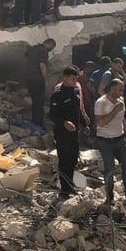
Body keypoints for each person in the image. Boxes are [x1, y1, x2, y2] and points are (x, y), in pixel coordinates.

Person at [95, 79, 126, 205]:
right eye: (120, 89)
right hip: (105, 141)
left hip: (120, 140)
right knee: (109, 169)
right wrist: (114, 110)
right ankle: (109, 198)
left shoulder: (121, 101)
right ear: (112, 89)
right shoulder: (101, 103)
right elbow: (101, 123)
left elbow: (122, 118)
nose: (122, 92)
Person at [49, 67, 87, 198]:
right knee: (64, 161)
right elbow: (52, 116)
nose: (75, 81)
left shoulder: (75, 91)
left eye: (76, 79)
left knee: (72, 159)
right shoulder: (57, 95)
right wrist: (64, 122)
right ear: (65, 78)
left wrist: (85, 124)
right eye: (72, 79)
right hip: (62, 133)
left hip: (74, 133)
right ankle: (64, 190)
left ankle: (70, 186)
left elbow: (78, 111)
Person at [24, 38, 56, 127]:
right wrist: (46, 81)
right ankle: (39, 124)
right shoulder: (43, 51)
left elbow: (26, 55)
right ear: (49, 44)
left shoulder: (32, 49)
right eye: (51, 48)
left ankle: (34, 121)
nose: (51, 50)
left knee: (35, 101)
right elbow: (42, 65)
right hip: (37, 79)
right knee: (39, 102)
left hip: (29, 79)